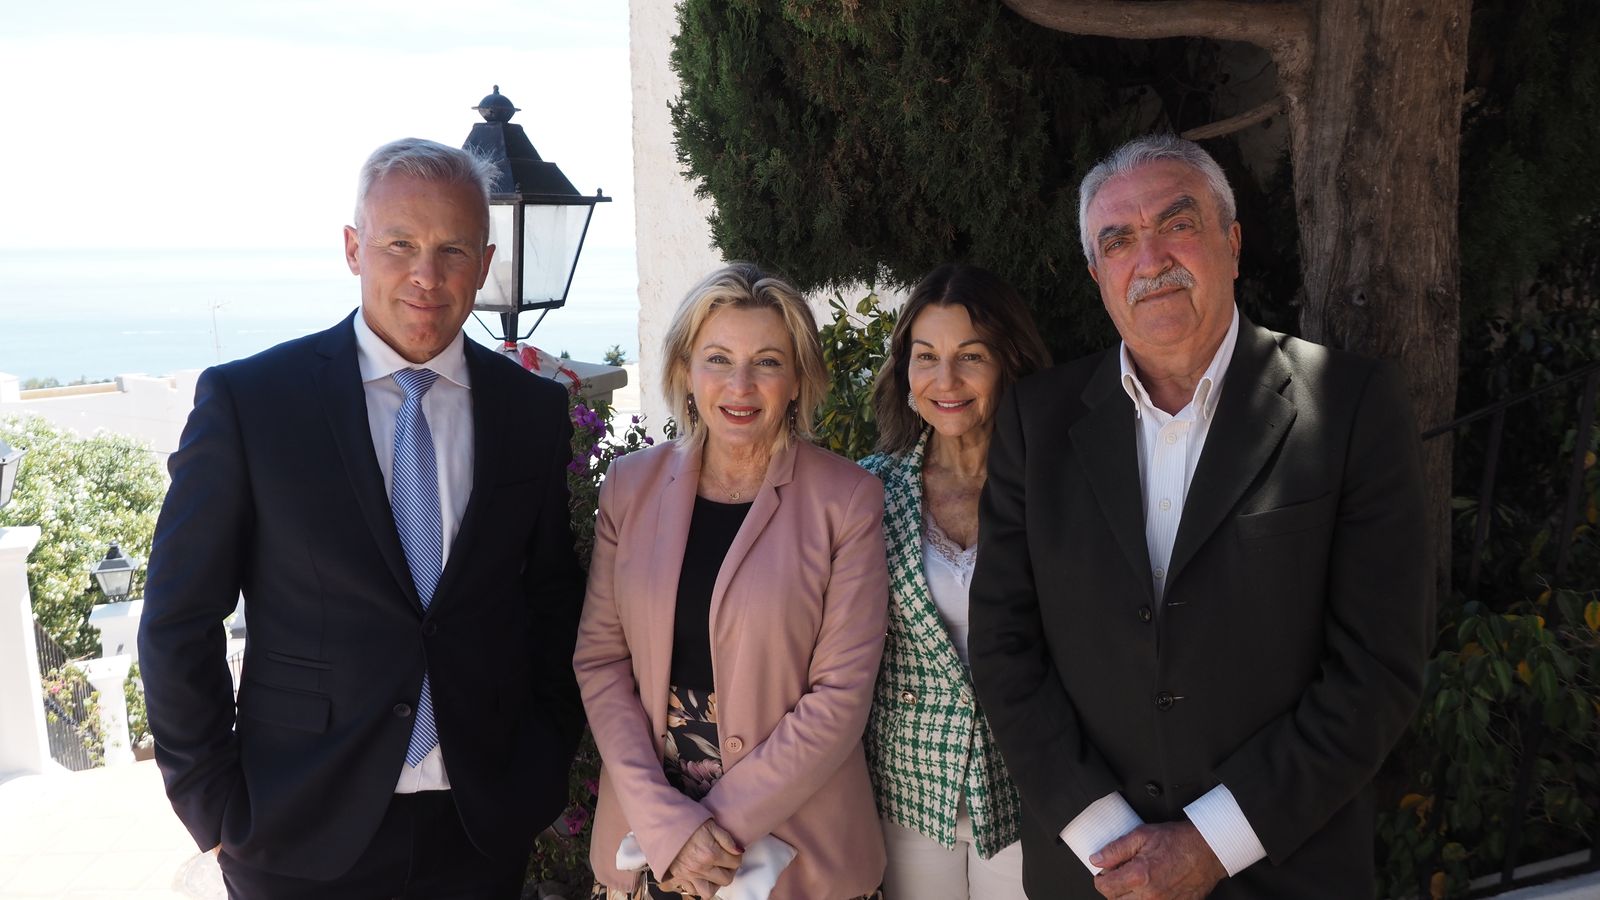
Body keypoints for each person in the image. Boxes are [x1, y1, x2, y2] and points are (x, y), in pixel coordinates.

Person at [968, 134, 1432, 900]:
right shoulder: (1036, 422)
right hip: (1093, 876)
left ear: (1233, 241)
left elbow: (1378, 668)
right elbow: (1004, 648)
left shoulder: (1350, 407)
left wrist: (1212, 845)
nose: (1148, 260)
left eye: (1176, 223)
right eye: (1117, 241)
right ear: (1096, 275)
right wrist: (1108, 841)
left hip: (1283, 870)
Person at [137, 138, 586, 899]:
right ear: (354, 248)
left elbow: (551, 603)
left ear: (484, 263)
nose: (426, 275)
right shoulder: (253, 404)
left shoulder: (532, 412)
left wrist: (539, 771)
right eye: (399, 245)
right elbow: (179, 617)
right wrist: (210, 802)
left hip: (480, 827)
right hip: (296, 829)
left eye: (452, 250)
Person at [575, 263, 889, 900]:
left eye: (768, 362)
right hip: (648, 843)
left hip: (796, 847)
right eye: (718, 358)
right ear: (687, 371)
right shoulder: (630, 488)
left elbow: (840, 698)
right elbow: (602, 663)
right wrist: (669, 827)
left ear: (798, 378)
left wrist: (712, 832)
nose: (740, 385)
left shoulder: (847, 499)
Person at [858, 264, 1051, 900]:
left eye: (971, 356)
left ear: (1009, 362)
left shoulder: (1060, 489)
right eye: (926, 357)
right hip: (908, 794)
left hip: (1030, 787)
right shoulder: (869, 491)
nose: (946, 381)